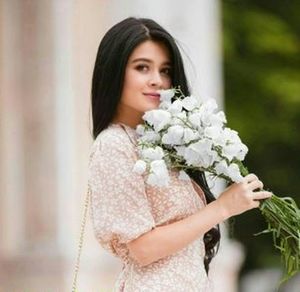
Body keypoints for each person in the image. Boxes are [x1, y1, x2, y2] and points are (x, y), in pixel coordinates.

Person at [88, 17, 272, 291]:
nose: (157, 81)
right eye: (142, 68)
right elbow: (141, 249)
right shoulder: (114, 144)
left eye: (165, 71)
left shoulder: (161, 142)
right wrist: (221, 208)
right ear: (114, 71)